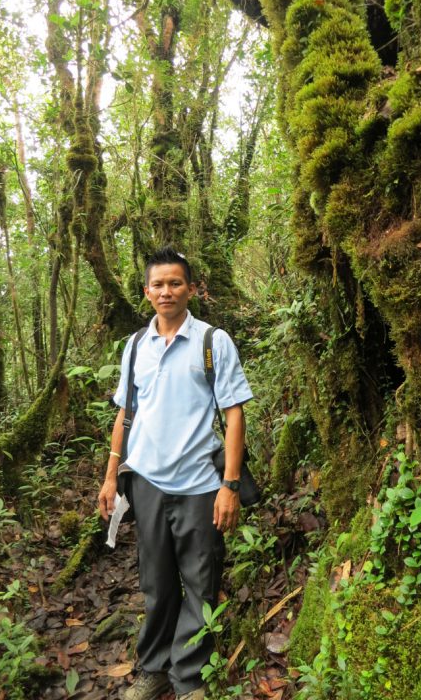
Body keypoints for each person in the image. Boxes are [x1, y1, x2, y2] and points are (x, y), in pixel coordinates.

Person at [98, 248, 253, 700]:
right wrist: (111, 476)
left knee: (201, 583)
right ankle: (153, 668)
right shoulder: (134, 347)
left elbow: (235, 413)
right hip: (145, 482)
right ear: (146, 292)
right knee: (156, 581)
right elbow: (125, 413)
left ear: (191, 288)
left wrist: (230, 484)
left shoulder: (212, 341)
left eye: (175, 283)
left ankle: (188, 679)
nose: (167, 291)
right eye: (158, 284)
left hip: (201, 486)